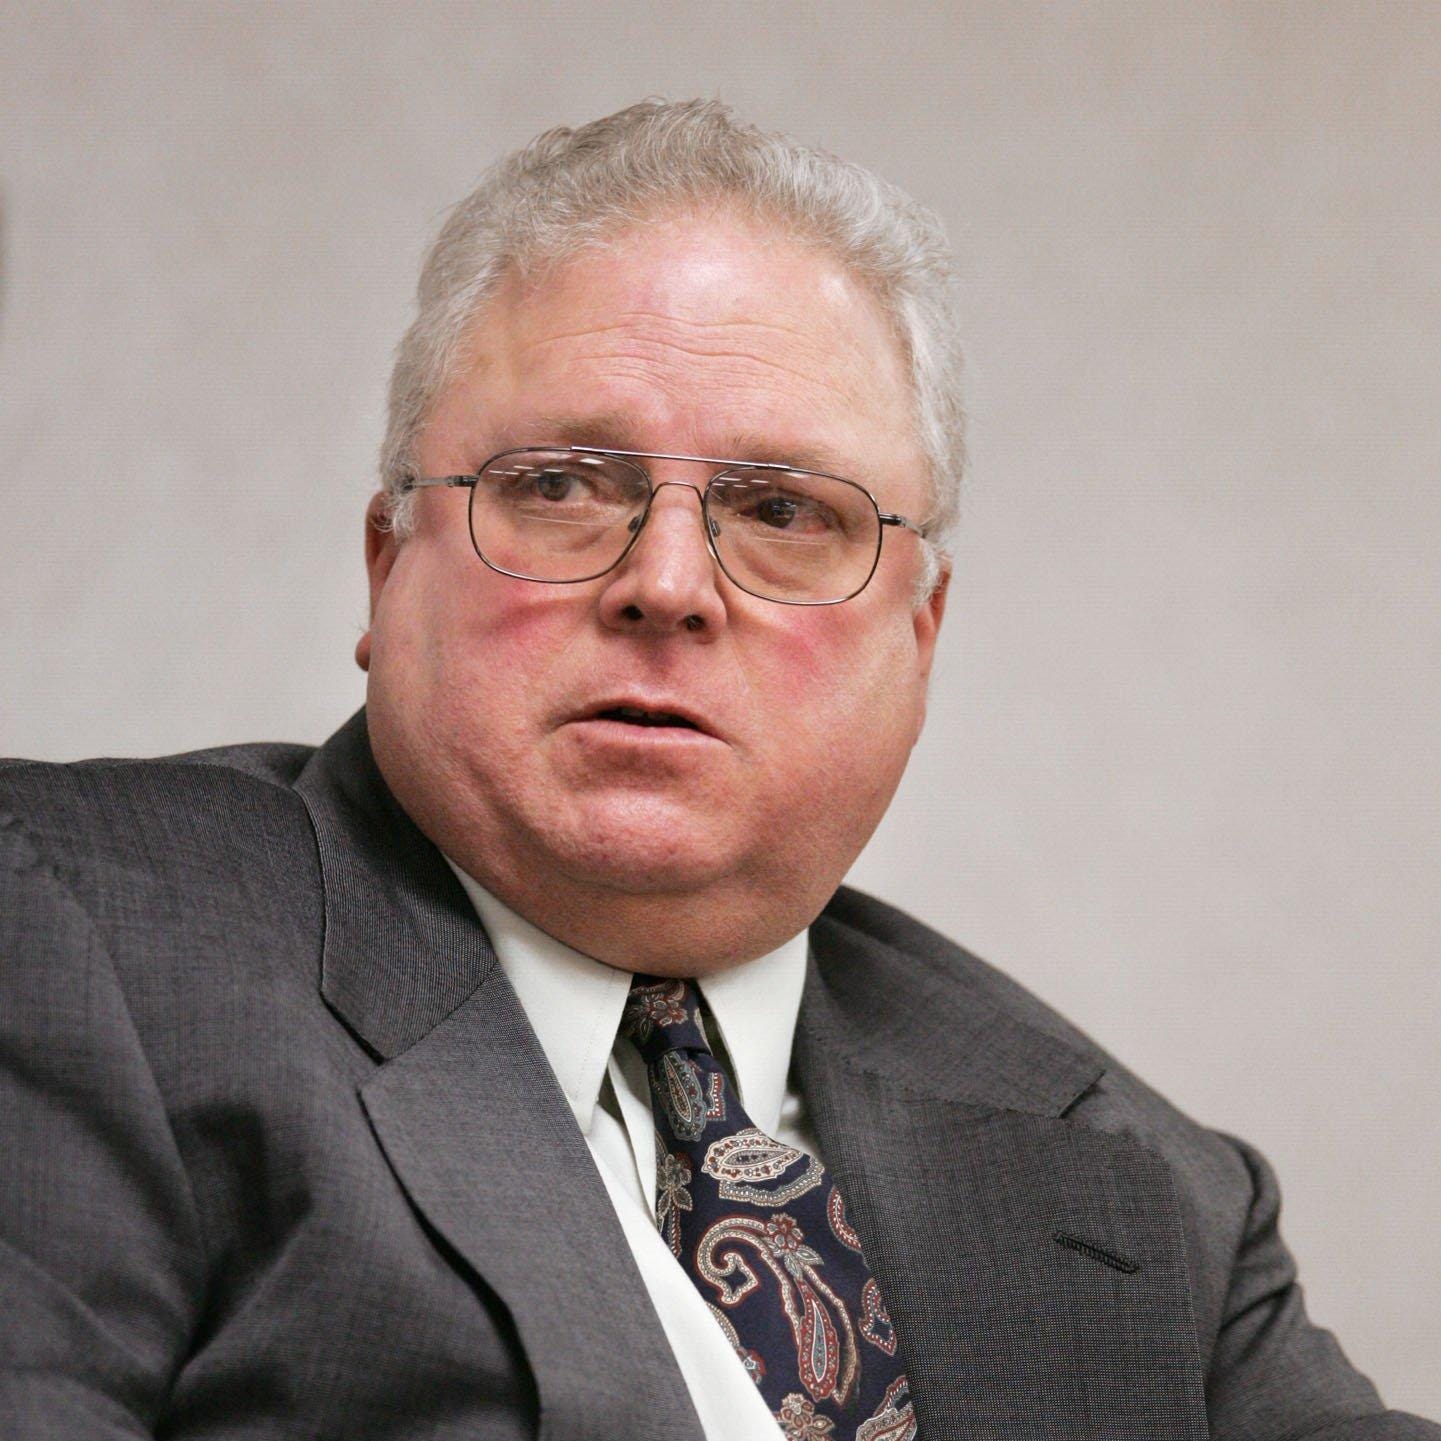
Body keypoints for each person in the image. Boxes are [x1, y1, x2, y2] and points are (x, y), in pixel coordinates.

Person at [0, 100, 1433, 1441]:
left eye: (783, 510)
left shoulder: (1149, 1184)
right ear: (387, 570)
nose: (668, 582)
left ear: (919, 638)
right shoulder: (76, 938)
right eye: (560, 484)